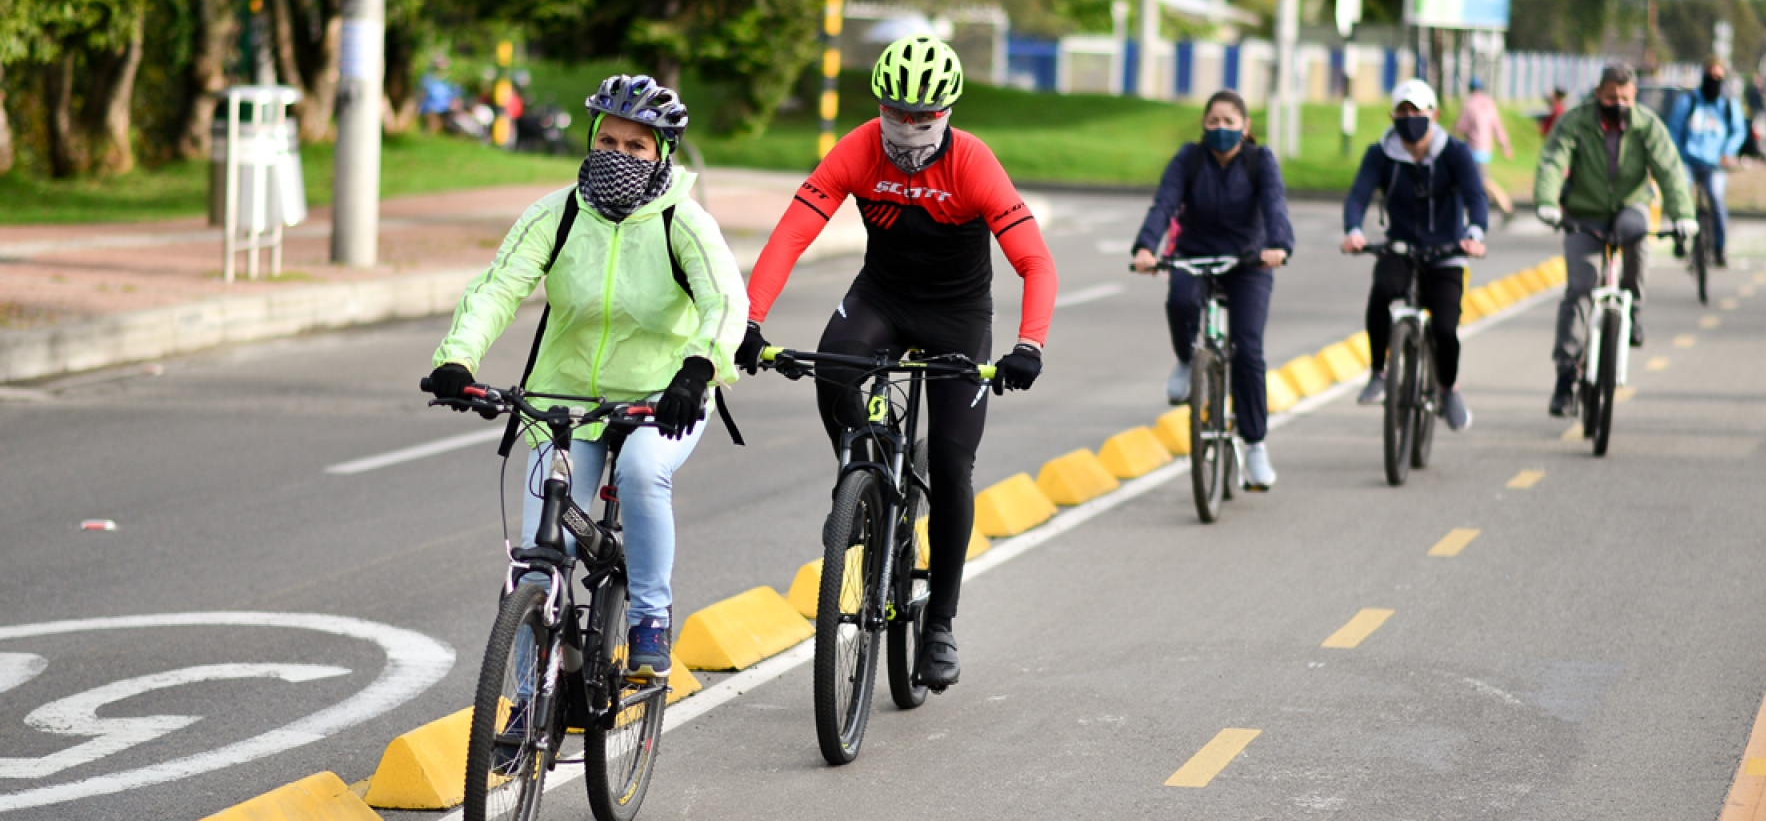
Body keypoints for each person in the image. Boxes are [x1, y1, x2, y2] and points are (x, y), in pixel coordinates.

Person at [733, 35, 1056, 690]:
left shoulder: (973, 163)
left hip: (958, 316)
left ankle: (939, 624)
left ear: (948, 112)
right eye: (897, 112)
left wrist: (1029, 344)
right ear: (881, 105)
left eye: (923, 115)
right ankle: (860, 479)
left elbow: (1035, 262)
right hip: (880, 298)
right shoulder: (857, 149)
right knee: (832, 366)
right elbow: (793, 232)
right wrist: (750, 318)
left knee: (951, 466)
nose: (908, 127)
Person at [428, 74, 748, 680]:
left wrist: (698, 368)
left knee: (640, 471)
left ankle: (650, 614)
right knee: (539, 565)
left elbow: (725, 302)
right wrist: (457, 359)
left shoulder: (684, 221)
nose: (619, 157)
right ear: (591, 140)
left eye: (637, 147)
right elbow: (498, 288)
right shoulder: (558, 213)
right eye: (609, 141)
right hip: (563, 398)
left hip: (664, 397)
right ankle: (526, 710)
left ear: (662, 155)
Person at [1129, 88, 1293, 489]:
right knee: (1181, 300)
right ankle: (1187, 360)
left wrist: (1279, 246)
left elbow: (1275, 205)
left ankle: (1255, 446)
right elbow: (1164, 204)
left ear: (1245, 127)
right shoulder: (1189, 159)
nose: (1221, 129)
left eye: (1229, 122)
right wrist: (1146, 247)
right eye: (1213, 121)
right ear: (1204, 125)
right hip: (1195, 255)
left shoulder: (1260, 161)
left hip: (1249, 262)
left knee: (1249, 349)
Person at [1534, 63, 1696, 417]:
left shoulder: (1648, 125)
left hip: (1630, 204)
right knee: (1580, 287)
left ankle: (1633, 309)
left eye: (1624, 97)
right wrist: (1547, 203)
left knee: (1636, 233)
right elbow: (1552, 159)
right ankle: (1565, 374)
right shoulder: (1576, 121)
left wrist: (1683, 214)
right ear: (1597, 95)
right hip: (1584, 211)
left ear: (1635, 95)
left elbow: (1669, 170)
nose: (1618, 103)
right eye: (1611, 97)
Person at [1344, 79, 1488, 430]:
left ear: (1434, 114)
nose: (1409, 117)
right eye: (1402, 111)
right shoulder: (1380, 154)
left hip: (1447, 253)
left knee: (1444, 327)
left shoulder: (1454, 152)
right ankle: (1378, 372)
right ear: (1392, 114)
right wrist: (1354, 231)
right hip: (1400, 248)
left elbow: (1476, 198)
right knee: (1380, 296)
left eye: (1417, 110)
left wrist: (1474, 234)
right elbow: (1358, 196)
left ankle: (1448, 389)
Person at [1665, 57, 1746, 267]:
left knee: (1716, 198)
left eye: (1719, 77)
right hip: (1688, 159)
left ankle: (1720, 247)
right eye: (1711, 75)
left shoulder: (1728, 104)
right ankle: (1680, 236)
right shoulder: (1689, 100)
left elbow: (1738, 131)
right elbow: (1674, 129)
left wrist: (1728, 151)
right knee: (1681, 192)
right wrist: (1674, 154)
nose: (1714, 80)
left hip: (1715, 163)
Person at [1451, 76, 1515, 222]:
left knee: (1483, 181)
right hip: (1486, 148)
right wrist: (1505, 145)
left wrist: (1452, 129)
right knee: (1476, 180)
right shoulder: (1489, 104)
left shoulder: (1469, 104)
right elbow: (1497, 126)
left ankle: (1506, 206)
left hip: (1473, 148)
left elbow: (1462, 126)